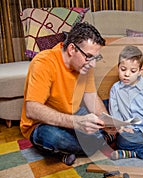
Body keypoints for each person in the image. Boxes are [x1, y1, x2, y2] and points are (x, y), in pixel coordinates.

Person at [20, 22, 114, 166]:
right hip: (42, 124)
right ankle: (98, 143)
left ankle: (69, 150)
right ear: (71, 49)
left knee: (110, 108)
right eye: (89, 57)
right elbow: (32, 110)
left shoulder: (86, 65)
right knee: (52, 137)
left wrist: (107, 123)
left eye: (96, 58)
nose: (93, 64)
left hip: (74, 114)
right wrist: (76, 122)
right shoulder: (44, 62)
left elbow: (91, 97)